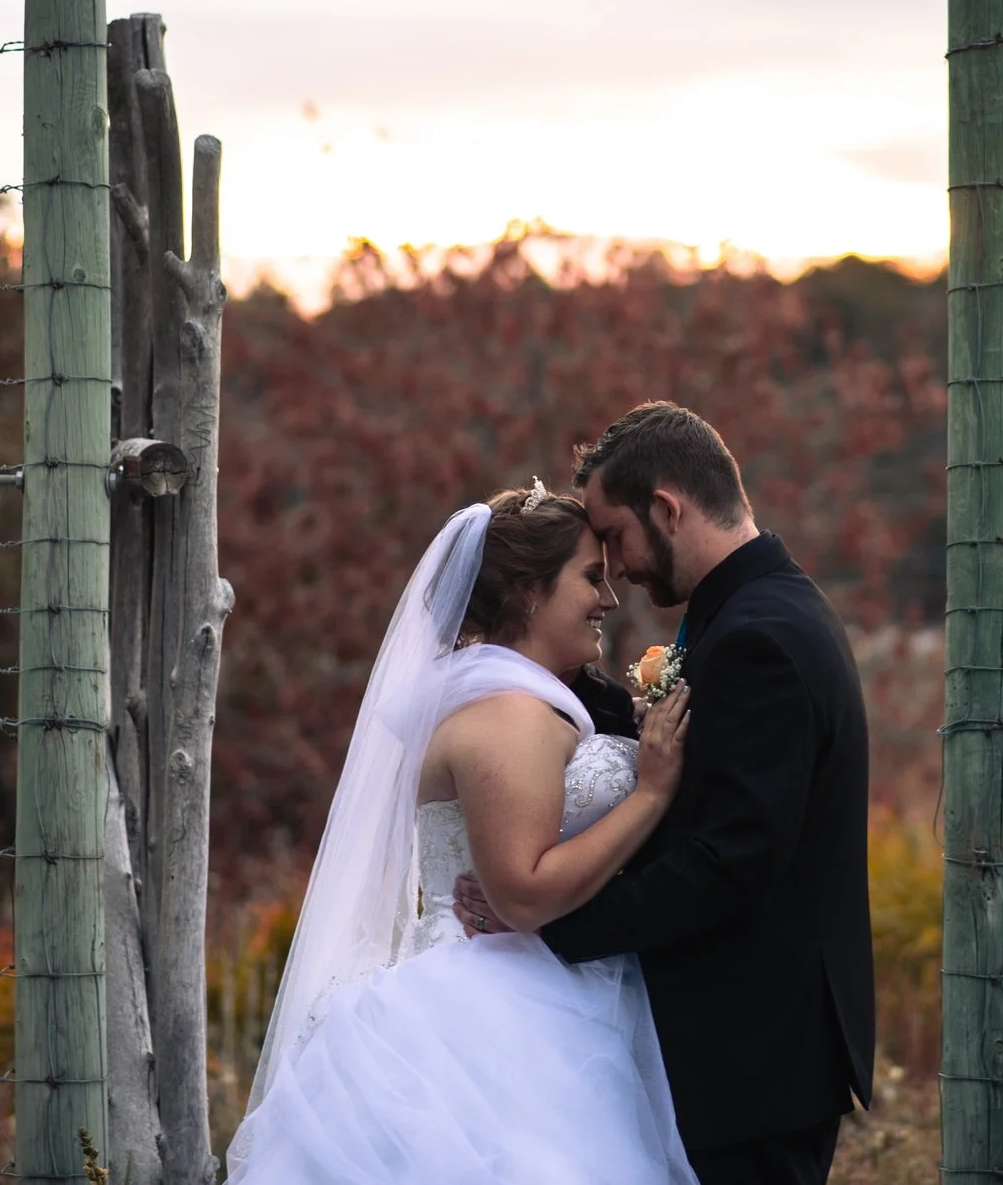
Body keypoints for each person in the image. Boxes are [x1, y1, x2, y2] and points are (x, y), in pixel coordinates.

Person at [224, 483, 699, 1185]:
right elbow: (524, 895)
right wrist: (653, 790)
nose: (608, 598)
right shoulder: (511, 714)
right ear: (530, 594)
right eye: (590, 578)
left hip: (524, 984)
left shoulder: (496, 696)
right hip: (499, 1012)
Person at [457, 403, 876, 1185]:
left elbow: (729, 860)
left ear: (668, 508)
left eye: (613, 536)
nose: (615, 568)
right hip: (746, 1054)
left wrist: (545, 927)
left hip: (754, 1060)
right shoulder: (750, 613)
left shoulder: (759, 639)